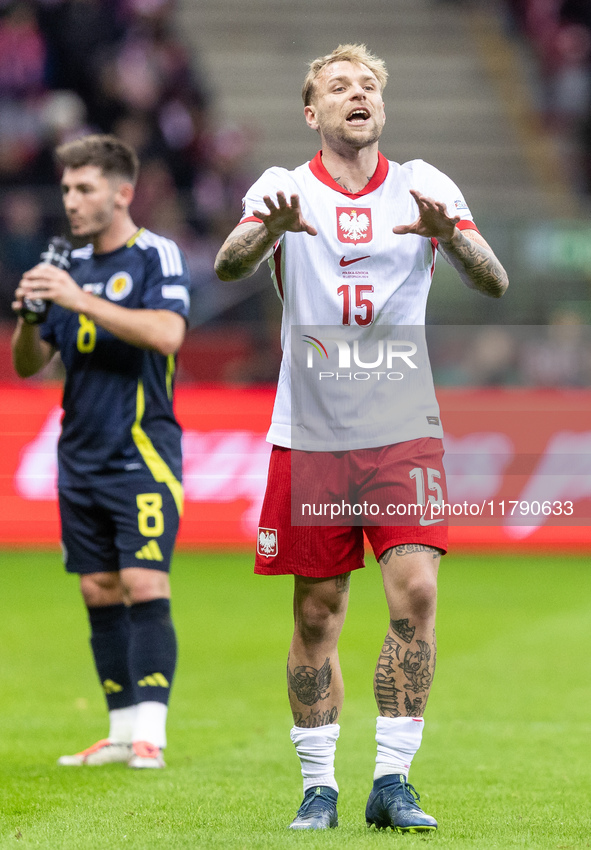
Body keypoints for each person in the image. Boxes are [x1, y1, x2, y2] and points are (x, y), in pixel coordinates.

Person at [215, 44, 508, 831]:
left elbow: (493, 279)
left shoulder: (423, 184)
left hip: (400, 426)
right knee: (318, 612)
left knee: (415, 591)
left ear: (380, 107)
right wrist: (263, 233)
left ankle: (392, 780)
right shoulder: (281, 187)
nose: (357, 93)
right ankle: (318, 785)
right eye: (339, 86)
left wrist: (455, 237)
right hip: (310, 432)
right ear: (312, 113)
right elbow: (229, 263)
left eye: (368, 85)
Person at [11, 134, 191, 769]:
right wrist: (32, 318)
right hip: (78, 455)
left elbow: (167, 334)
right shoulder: (70, 269)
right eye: (65, 189)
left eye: (84, 188)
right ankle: (118, 733)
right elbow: (30, 367)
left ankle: (152, 733)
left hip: (141, 451)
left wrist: (79, 299)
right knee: (96, 587)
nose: (71, 201)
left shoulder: (153, 257)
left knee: (143, 580)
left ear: (122, 192)